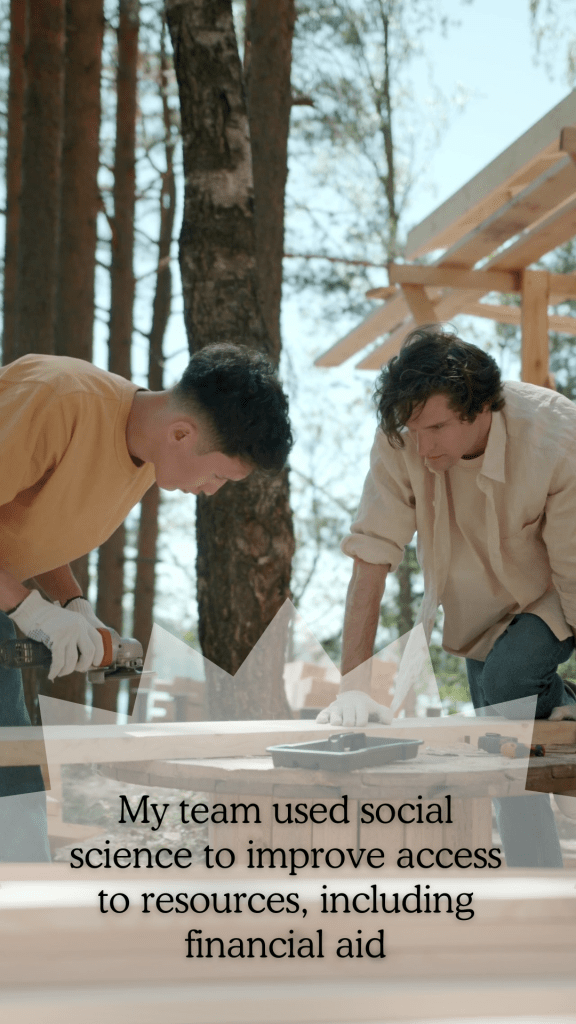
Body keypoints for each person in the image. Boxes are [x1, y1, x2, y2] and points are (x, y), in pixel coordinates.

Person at [0, 343, 293, 860]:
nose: (211, 490)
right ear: (183, 433)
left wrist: (71, 605)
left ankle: (25, 913)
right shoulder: (58, 399)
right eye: (218, 475)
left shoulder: (146, 458)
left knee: (13, 776)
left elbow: (25, 521)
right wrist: (28, 609)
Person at [317, 324, 576, 868]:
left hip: (555, 595)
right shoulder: (402, 439)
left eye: (435, 427)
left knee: (509, 683)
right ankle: (539, 893)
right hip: (477, 618)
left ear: (482, 406)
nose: (423, 444)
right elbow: (371, 561)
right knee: (504, 759)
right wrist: (353, 688)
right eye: (413, 428)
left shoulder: (555, 433)